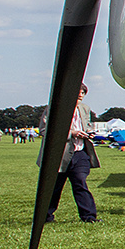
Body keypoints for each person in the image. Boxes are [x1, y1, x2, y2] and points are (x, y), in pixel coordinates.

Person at [42, 85, 99, 223]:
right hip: (60, 153)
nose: (81, 95)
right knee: (55, 186)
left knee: (80, 181)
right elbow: (44, 130)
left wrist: (90, 133)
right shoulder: (53, 108)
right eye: (78, 92)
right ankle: (46, 216)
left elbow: (88, 125)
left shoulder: (84, 109)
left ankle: (89, 216)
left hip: (80, 153)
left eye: (83, 92)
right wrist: (71, 133)